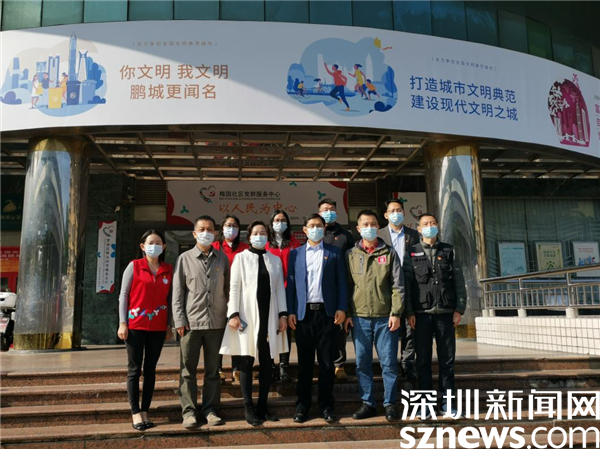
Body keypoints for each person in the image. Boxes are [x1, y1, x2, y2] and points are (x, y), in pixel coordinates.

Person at [220, 220, 288, 426]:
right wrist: (233, 313)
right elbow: (234, 287)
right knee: (246, 361)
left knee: (267, 362)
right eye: (255, 233)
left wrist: (283, 314)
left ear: (268, 236)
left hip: (270, 315)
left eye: (263, 232)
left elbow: (280, 289)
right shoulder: (241, 258)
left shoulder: (274, 259)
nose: (259, 236)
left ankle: (263, 406)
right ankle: (248, 407)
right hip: (247, 316)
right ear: (249, 237)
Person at [344, 209, 404, 422]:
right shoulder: (351, 255)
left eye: (373, 224)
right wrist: (348, 313)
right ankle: (368, 402)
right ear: (358, 228)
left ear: (378, 227)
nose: (369, 228)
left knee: (389, 363)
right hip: (359, 317)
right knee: (362, 363)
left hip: (385, 318)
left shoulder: (389, 253)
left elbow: (398, 286)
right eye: (365, 225)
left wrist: (396, 313)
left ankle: (390, 404)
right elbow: (347, 286)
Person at [287, 213, 347, 424]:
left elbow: (342, 282)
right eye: (311, 226)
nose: (315, 229)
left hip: (327, 314)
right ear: (304, 230)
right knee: (304, 363)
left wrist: (342, 308)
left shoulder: (334, 252)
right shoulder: (295, 254)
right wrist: (291, 311)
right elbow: (291, 285)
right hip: (303, 315)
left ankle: (326, 405)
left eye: (319, 226)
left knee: (327, 363)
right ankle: (302, 405)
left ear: (324, 228)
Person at [405, 213, 467, 418]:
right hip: (421, 314)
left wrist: (459, 308)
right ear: (419, 229)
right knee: (422, 361)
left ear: (437, 226)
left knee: (447, 361)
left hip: (445, 314)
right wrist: (409, 312)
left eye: (433, 223)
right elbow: (407, 285)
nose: (430, 226)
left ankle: (448, 403)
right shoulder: (411, 252)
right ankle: (425, 404)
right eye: (425, 224)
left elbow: (458, 281)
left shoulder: (448, 250)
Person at [172, 215, 230, 429]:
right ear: (194, 234)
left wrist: (230, 316)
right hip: (191, 324)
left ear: (215, 233)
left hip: (216, 323)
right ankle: (188, 412)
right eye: (202, 229)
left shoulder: (222, 259)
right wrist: (179, 319)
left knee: (213, 371)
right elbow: (177, 292)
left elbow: (228, 290)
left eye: (210, 229)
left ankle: (210, 409)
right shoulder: (184, 259)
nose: (206, 233)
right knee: (187, 371)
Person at [117, 230, 173, 431]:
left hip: (158, 326)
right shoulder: (134, 266)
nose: (154, 246)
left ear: (164, 247)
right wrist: (123, 322)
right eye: (151, 242)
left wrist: (169, 325)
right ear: (142, 246)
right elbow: (123, 295)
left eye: (158, 243)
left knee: (150, 370)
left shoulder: (168, 269)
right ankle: (135, 412)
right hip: (135, 326)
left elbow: (170, 299)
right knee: (134, 369)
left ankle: (145, 410)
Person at [377, 199, 420, 380]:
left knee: (410, 328)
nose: (396, 213)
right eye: (392, 211)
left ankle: (407, 363)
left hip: (410, 285)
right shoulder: (378, 235)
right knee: (390, 327)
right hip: (387, 288)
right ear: (386, 215)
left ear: (404, 213)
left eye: (399, 210)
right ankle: (389, 363)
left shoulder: (413, 235)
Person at [318, 198, 354, 381]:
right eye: (325, 209)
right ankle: (324, 364)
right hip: (319, 291)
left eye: (331, 209)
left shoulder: (346, 236)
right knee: (323, 332)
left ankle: (339, 365)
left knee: (339, 330)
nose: (328, 212)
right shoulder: (317, 234)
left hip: (339, 287)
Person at [213, 215, 249, 384]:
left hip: (239, 295)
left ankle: (237, 368)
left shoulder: (245, 248)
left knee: (237, 330)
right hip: (218, 295)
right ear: (222, 228)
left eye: (235, 225)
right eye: (228, 225)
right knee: (219, 331)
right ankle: (218, 367)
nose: (231, 228)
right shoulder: (214, 247)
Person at [266, 209, 301, 382]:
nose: (280, 223)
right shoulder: (266, 243)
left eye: (283, 220)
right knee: (270, 327)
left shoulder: (294, 243)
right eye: (276, 220)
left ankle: (283, 366)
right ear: (271, 223)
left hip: (289, 290)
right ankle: (271, 365)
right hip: (270, 291)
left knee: (285, 328)